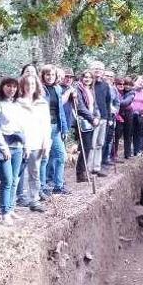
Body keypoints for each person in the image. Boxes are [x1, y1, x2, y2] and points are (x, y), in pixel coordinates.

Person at [0, 77, 25, 226]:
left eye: (14, 87)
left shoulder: (18, 105)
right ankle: (5, 211)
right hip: (4, 146)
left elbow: (22, 126)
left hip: (18, 145)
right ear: (2, 87)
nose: (11, 89)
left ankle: (11, 208)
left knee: (15, 180)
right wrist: (3, 147)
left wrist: (26, 146)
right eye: (8, 86)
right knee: (7, 179)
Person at [16, 74, 50, 212]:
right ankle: (15, 199)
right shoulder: (17, 103)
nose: (30, 87)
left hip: (37, 142)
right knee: (18, 173)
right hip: (21, 143)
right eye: (27, 84)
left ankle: (34, 200)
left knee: (34, 172)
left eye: (33, 84)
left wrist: (46, 143)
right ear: (22, 86)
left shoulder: (42, 103)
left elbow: (46, 125)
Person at [40, 65, 71, 196]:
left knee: (61, 156)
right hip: (43, 128)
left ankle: (58, 185)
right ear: (43, 76)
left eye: (52, 75)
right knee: (44, 158)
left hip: (56, 127)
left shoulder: (57, 89)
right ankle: (42, 186)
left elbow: (61, 110)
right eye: (47, 74)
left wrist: (64, 128)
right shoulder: (40, 89)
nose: (50, 77)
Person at [73, 70, 99, 182]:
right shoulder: (78, 89)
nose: (87, 79)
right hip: (83, 121)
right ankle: (80, 174)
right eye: (85, 77)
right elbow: (80, 107)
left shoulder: (90, 90)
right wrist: (92, 119)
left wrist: (97, 116)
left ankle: (83, 171)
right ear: (81, 78)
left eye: (89, 77)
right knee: (86, 147)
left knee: (88, 147)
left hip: (91, 120)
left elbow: (95, 105)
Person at [90, 62, 111, 177]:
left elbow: (108, 102)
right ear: (91, 70)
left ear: (103, 72)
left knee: (100, 143)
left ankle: (96, 168)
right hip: (92, 119)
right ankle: (89, 168)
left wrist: (108, 117)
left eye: (100, 69)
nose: (98, 71)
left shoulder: (105, 85)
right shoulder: (88, 84)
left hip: (103, 118)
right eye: (96, 68)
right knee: (92, 144)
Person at [101, 70, 120, 169]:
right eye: (107, 75)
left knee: (109, 138)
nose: (109, 77)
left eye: (111, 76)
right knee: (102, 140)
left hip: (112, 116)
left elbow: (117, 102)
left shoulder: (114, 89)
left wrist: (115, 110)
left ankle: (106, 158)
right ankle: (100, 162)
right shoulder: (101, 87)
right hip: (103, 116)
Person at [128, 76, 143, 156]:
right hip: (131, 114)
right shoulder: (130, 91)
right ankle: (129, 150)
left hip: (141, 115)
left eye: (142, 82)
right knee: (130, 132)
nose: (141, 83)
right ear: (134, 82)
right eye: (139, 81)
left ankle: (136, 151)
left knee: (138, 133)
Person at [114, 77, 134, 161]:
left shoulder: (131, 93)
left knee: (128, 134)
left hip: (128, 114)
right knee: (117, 134)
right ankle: (114, 154)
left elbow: (125, 103)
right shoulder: (119, 91)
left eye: (129, 85)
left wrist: (117, 102)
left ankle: (127, 153)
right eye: (126, 84)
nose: (126, 86)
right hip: (119, 114)